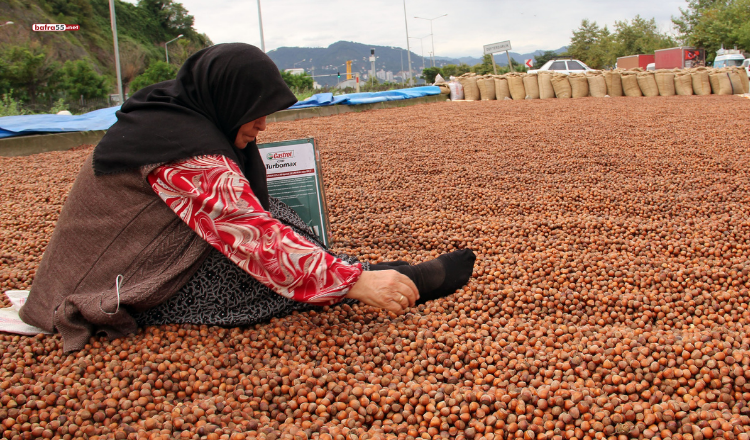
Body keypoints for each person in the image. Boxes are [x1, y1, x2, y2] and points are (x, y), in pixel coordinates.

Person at [20, 44, 476, 352]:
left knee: (276, 216)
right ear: (228, 97)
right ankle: (375, 279)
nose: (262, 126)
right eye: (256, 112)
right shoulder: (179, 150)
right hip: (108, 280)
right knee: (242, 278)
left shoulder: (179, 115)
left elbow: (253, 214)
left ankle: (367, 275)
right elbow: (248, 236)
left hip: (143, 251)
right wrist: (355, 284)